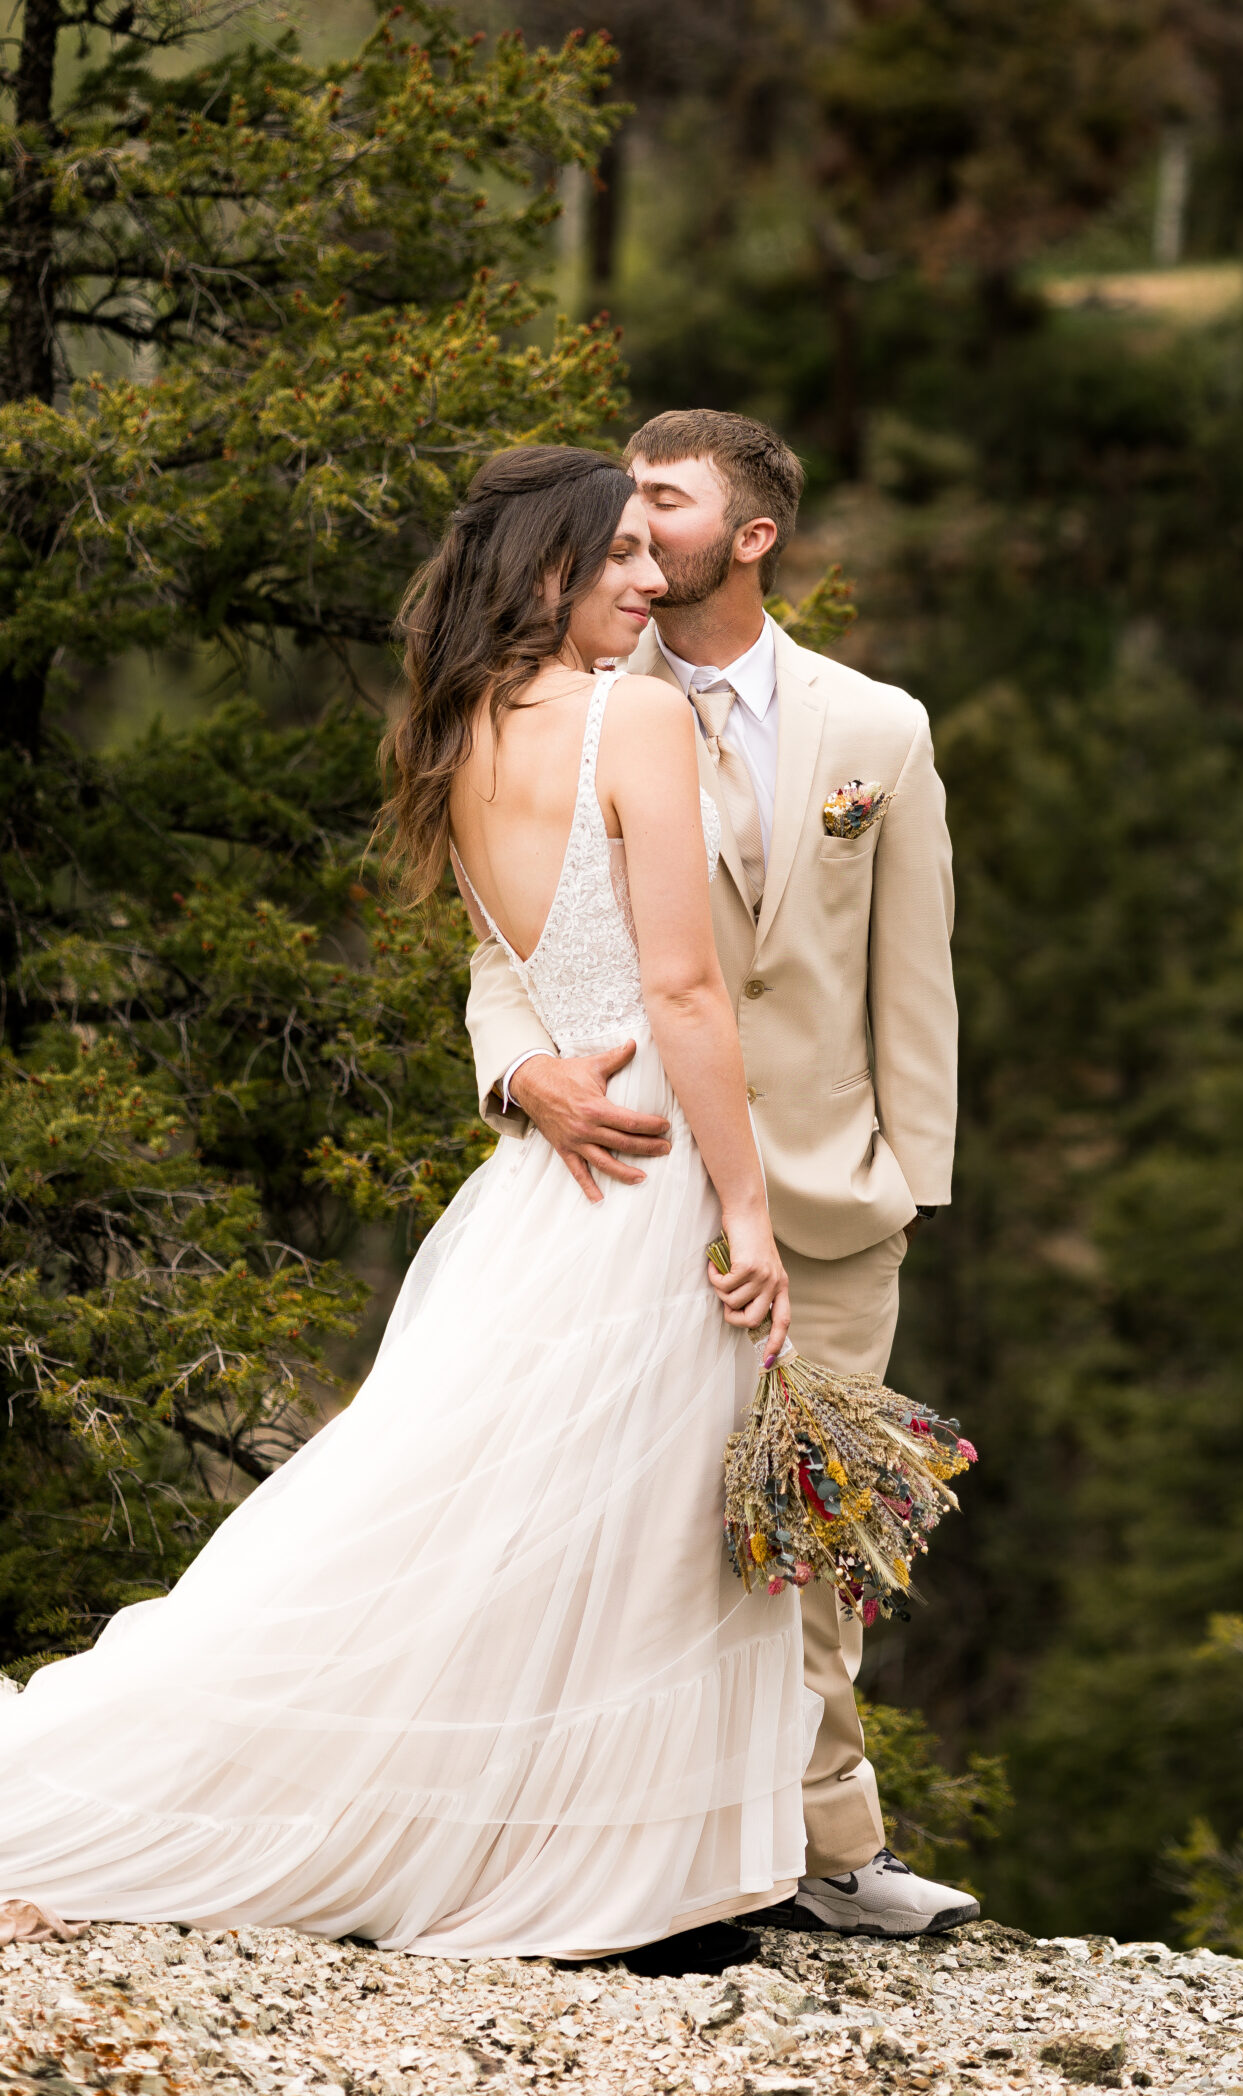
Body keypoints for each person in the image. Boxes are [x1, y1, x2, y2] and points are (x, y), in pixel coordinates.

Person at [0, 447, 817, 1959]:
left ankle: (607, 1864)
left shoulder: (459, 725)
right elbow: (689, 992)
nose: (652, 581)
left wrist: (526, 1080)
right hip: (642, 1166)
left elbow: (506, 965)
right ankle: (628, 1888)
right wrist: (750, 1211)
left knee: (542, 1511)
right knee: (634, 1520)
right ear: (552, 568)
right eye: (624, 556)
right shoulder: (630, 715)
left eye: (658, 551)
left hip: (549, 1169)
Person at [465, 410, 974, 1940]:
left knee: (805, 1525)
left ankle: (829, 1850)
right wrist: (516, 1067)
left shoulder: (877, 728)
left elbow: (916, 975)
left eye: (662, 503)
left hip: (821, 1192)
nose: (633, 523)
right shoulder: (573, 698)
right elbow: (511, 941)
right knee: (623, 1516)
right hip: (626, 1171)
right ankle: (635, 1844)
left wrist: (908, 1184)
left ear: (750, 537)